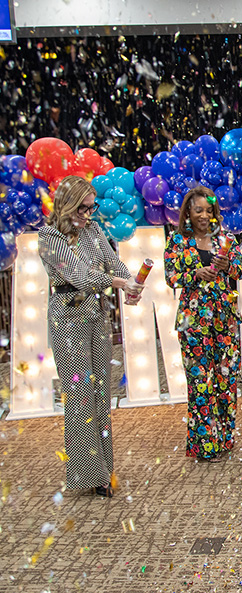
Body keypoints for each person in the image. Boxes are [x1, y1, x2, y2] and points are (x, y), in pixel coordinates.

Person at [38, 175, 143, 497]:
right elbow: (80, 275)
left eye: (91, 206)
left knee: (101, 392)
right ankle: (88, 473)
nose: (88, 213)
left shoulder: (94, 230)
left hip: (97, 315)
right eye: (82, 208)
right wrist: (120, 283)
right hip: (67, 317)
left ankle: (104, 470)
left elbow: (115, 265)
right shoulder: (49, 235)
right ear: (66, 204)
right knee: (79, 395)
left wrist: (133, 284)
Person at [164, 186, 242, 461]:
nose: (204, 215)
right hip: (193, 322)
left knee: (225, 380)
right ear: (188, 212)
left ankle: (224, 439)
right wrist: (194, 274)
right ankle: (205, 445)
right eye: (198, 209)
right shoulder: (177, 242)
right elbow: (171, 278)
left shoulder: (226, 240)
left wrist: (226, 267)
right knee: (200, 382)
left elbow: (241, 271)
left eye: (209, 210)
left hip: (225, 319)